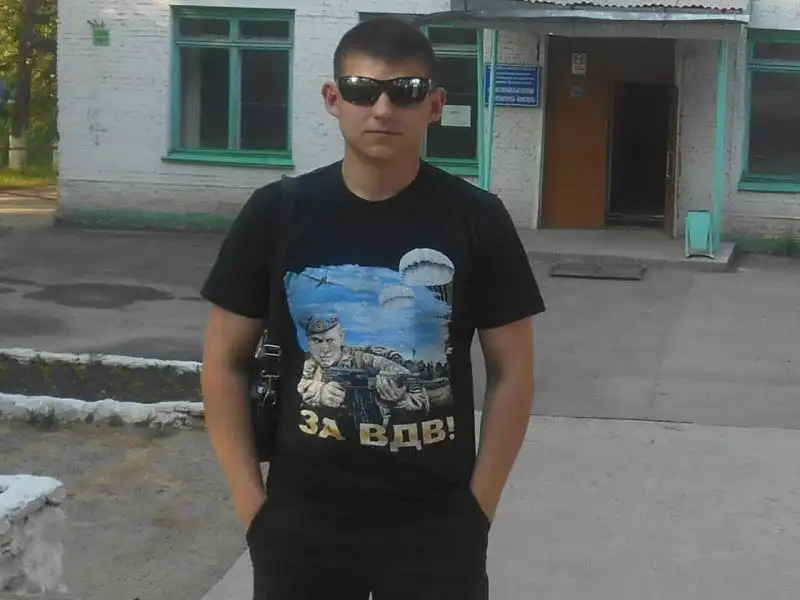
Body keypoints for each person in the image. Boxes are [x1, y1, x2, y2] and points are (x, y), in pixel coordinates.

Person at [200, 15, 545, 600]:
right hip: (301, 525)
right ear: (333, 99)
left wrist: (477, 511)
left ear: (435, 105)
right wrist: (252, 508)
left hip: (436, 527)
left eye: (405, 91)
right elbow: (222, 362)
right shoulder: (276, 213)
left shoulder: (477, 218)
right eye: (362, 90)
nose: (383, 108)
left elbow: (513, 372)